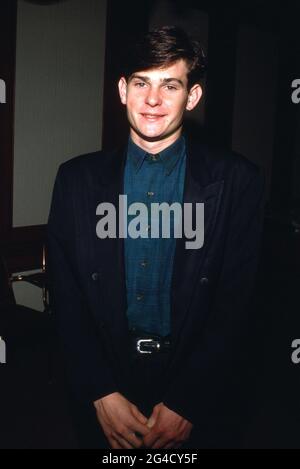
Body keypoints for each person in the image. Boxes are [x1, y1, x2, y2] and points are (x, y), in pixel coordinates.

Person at [47, 25, 265, 449]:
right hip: (106, 377)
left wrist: (189, 399)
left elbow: (237, 300)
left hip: (194, 379)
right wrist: (99, 390)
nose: (152, 100)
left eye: (171, 85)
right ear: (123, 90)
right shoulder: (75, 180)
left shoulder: (239, 180)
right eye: (142, 83)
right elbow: (66, 293)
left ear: (193, 96)